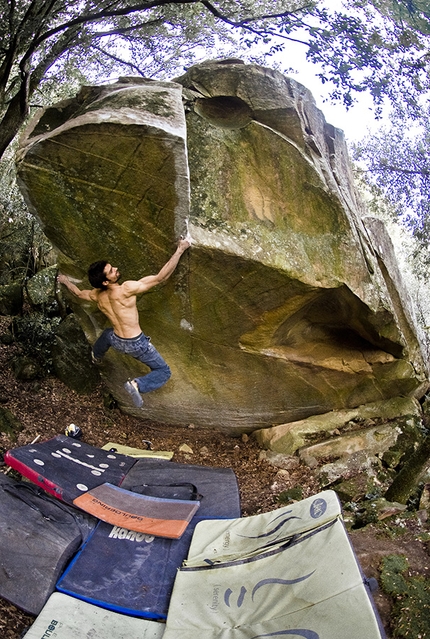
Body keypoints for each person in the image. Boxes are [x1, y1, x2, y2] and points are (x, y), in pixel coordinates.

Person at [57, 238, 191, 408]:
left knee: (107, 334)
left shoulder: (96, 295)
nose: (116, 269)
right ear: (105, 282)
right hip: (137, 344)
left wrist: (65, 281)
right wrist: (180, 249)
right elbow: (160, 278)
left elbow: (78, 293)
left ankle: (96, 355)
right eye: (112, 271)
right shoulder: (126, 289)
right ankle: (137, 385)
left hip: (117, 341)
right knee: (164, 371)